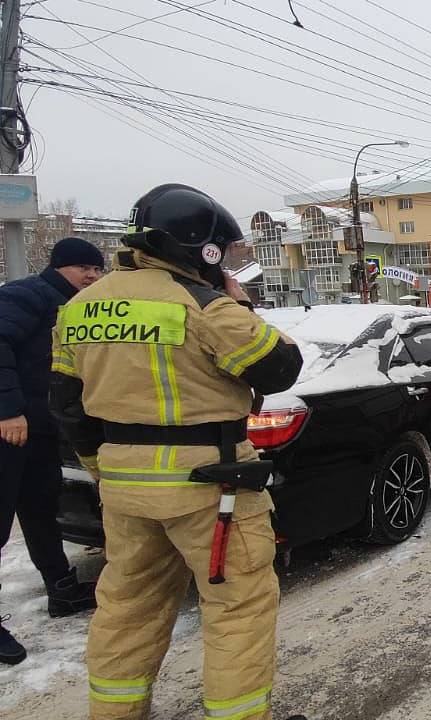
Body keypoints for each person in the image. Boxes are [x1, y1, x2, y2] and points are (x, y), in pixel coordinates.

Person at [49, 185, 306, 720]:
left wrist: (105, 470)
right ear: (202, 248)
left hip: (124, 488)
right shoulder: (206, 304)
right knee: (237, 610)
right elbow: (280, 367)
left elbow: (68, 405)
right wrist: (241, 303)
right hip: (212, 487)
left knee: (126, 607)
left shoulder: (78, 308)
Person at [0, 237, 105, 665]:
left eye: (98, 272)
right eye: (86, 269)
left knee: (41, 508)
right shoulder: (26, 294)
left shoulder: (76, 305)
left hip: (41, 433)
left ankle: (62, 589)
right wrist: (7, 410)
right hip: (9, 430)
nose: (93, 278)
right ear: (62, 267)